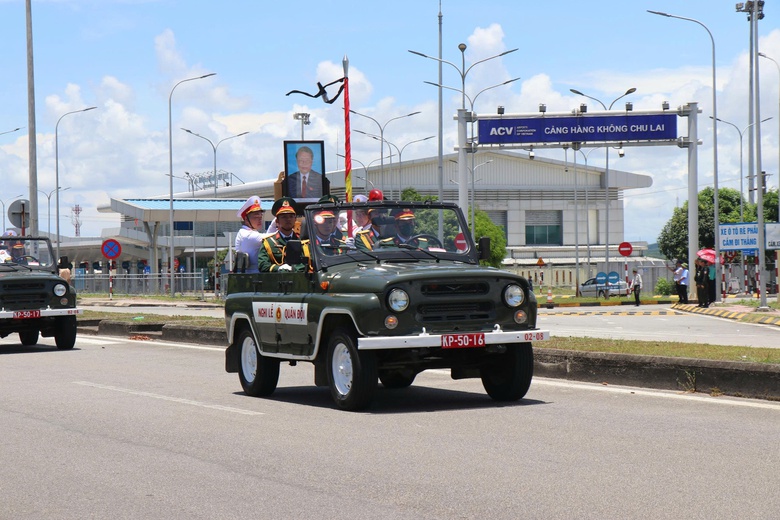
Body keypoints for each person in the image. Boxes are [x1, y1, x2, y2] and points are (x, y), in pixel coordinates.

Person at [257, 197, 304, 272]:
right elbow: (262, 265)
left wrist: (293, 269)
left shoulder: (302, 241)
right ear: (277, 221)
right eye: (284, 217)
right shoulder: (269, 242)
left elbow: (308, 262)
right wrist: (278, 268)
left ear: (295, 219)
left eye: (291, 216)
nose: (288, 219)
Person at [234, 196, 265, 274]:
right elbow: (273, 237)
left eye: (260, 216)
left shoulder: (245, 232)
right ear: (246, 219)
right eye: (256, 217)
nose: (260, 219)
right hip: (252, 277)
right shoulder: (247, 235)